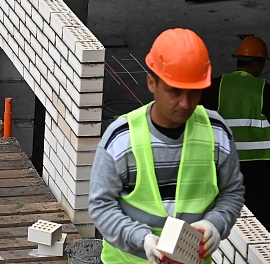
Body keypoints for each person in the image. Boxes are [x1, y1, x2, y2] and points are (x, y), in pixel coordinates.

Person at [90, 29, 245, 264]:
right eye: (174, 91)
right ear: (152, 83)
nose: (185, 103)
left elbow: (232, 192)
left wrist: (216, 223)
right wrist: (141, 238)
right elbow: (101, 205)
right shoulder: (122, 138)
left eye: (194, 93)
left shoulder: (217, 133)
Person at [201, 36, 270, 229]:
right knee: (257, 217)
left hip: (222, 161)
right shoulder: (264, 90)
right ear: (256, 65)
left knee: (220, 210)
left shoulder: (214, 86)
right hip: (257, 167)